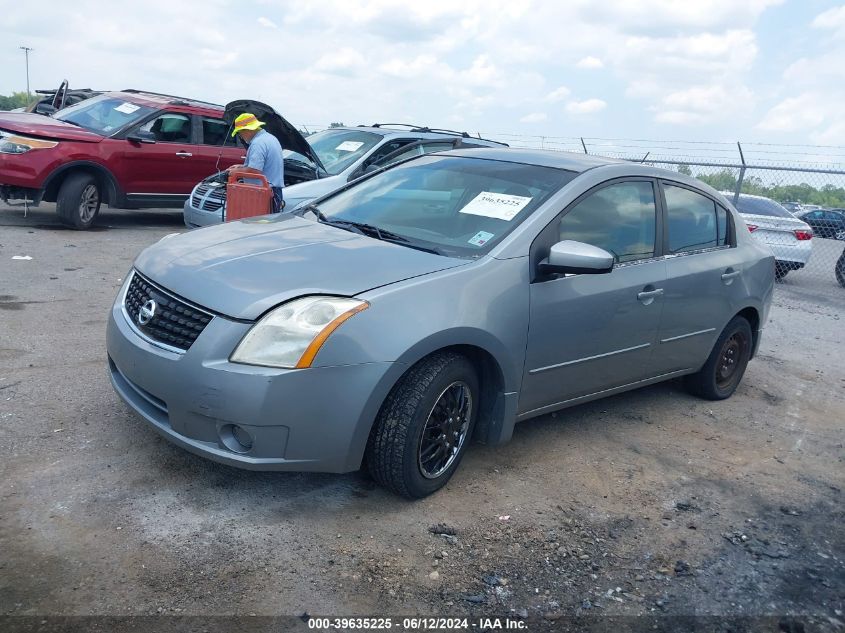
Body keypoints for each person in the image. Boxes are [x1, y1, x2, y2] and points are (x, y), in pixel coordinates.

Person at [229, 112, 284, 212]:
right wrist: (240, 167)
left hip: (261, 194)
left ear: (247, 130)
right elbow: (263, 166)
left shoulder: (257, 143)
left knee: (258, 226)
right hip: (273, 192)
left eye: (240, 133)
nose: (240, 136)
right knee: (269, 225)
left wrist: (235, 172)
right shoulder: (270, 138)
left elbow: (255, 170)